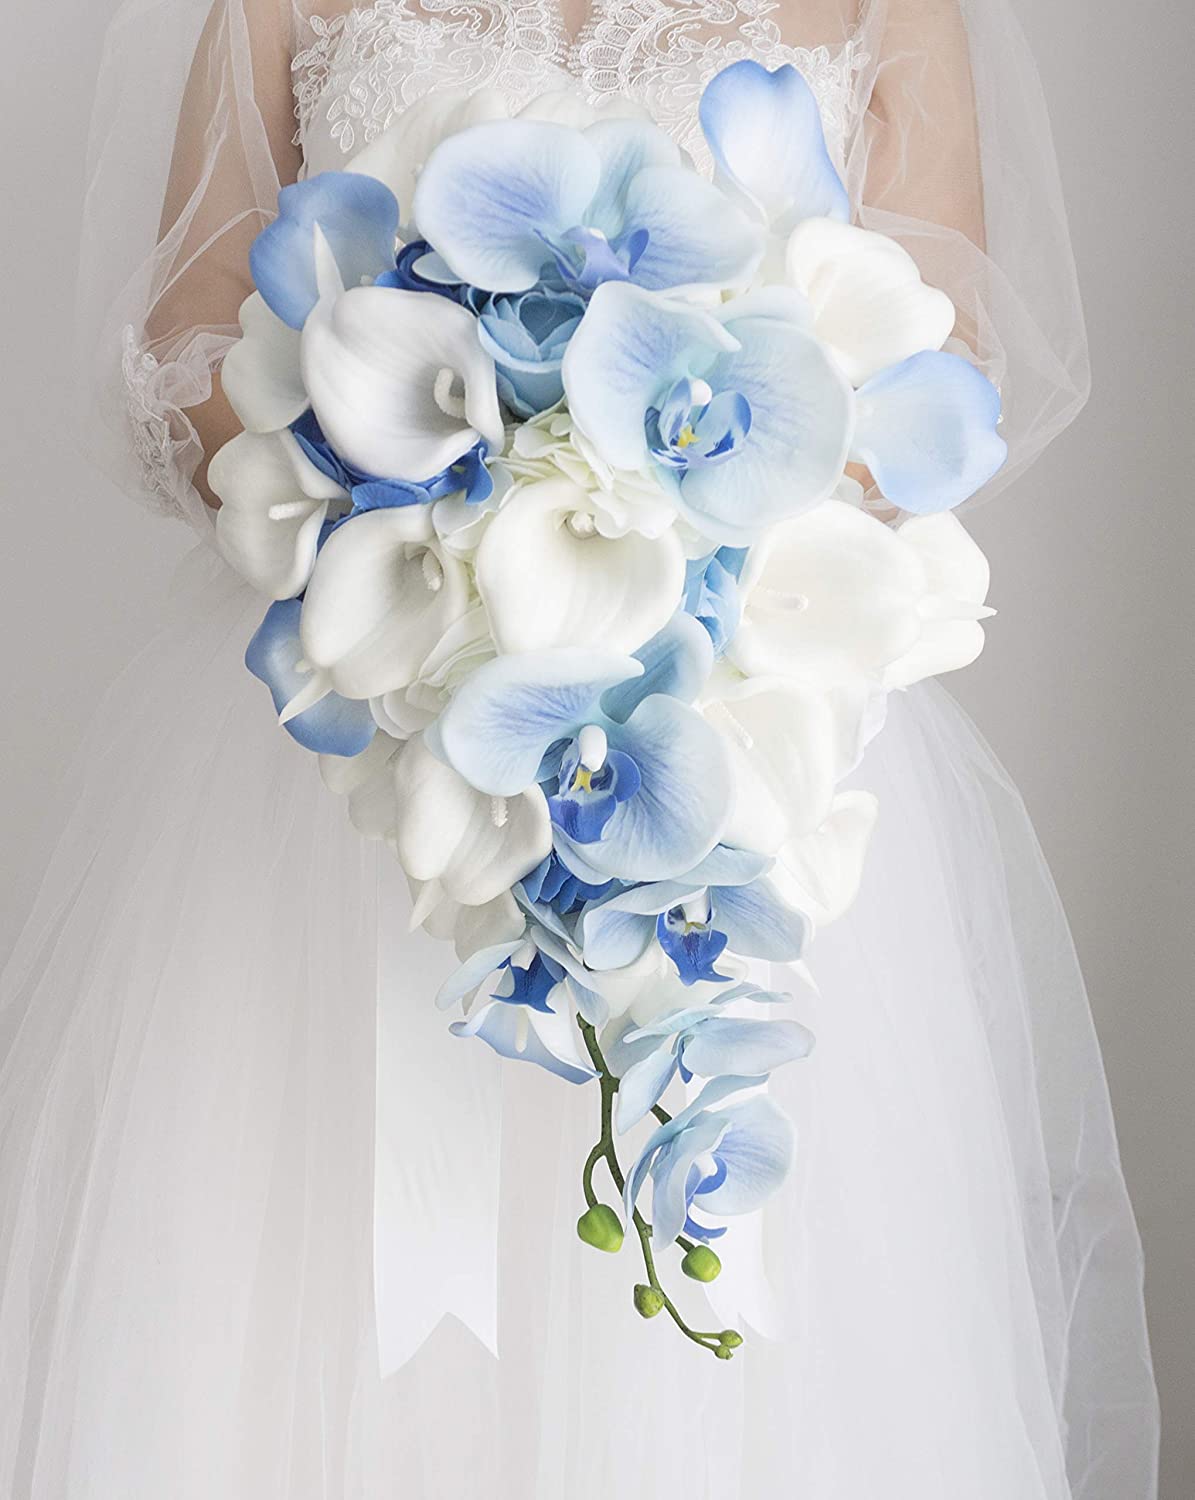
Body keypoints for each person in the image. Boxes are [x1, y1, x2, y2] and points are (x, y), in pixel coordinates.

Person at [0, 2, 1159, 1495]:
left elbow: (941, 365)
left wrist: (657, 505)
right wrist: (422, 486)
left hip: (736, 745)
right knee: (284, 1310)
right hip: (347, 764)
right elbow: (180, 363)